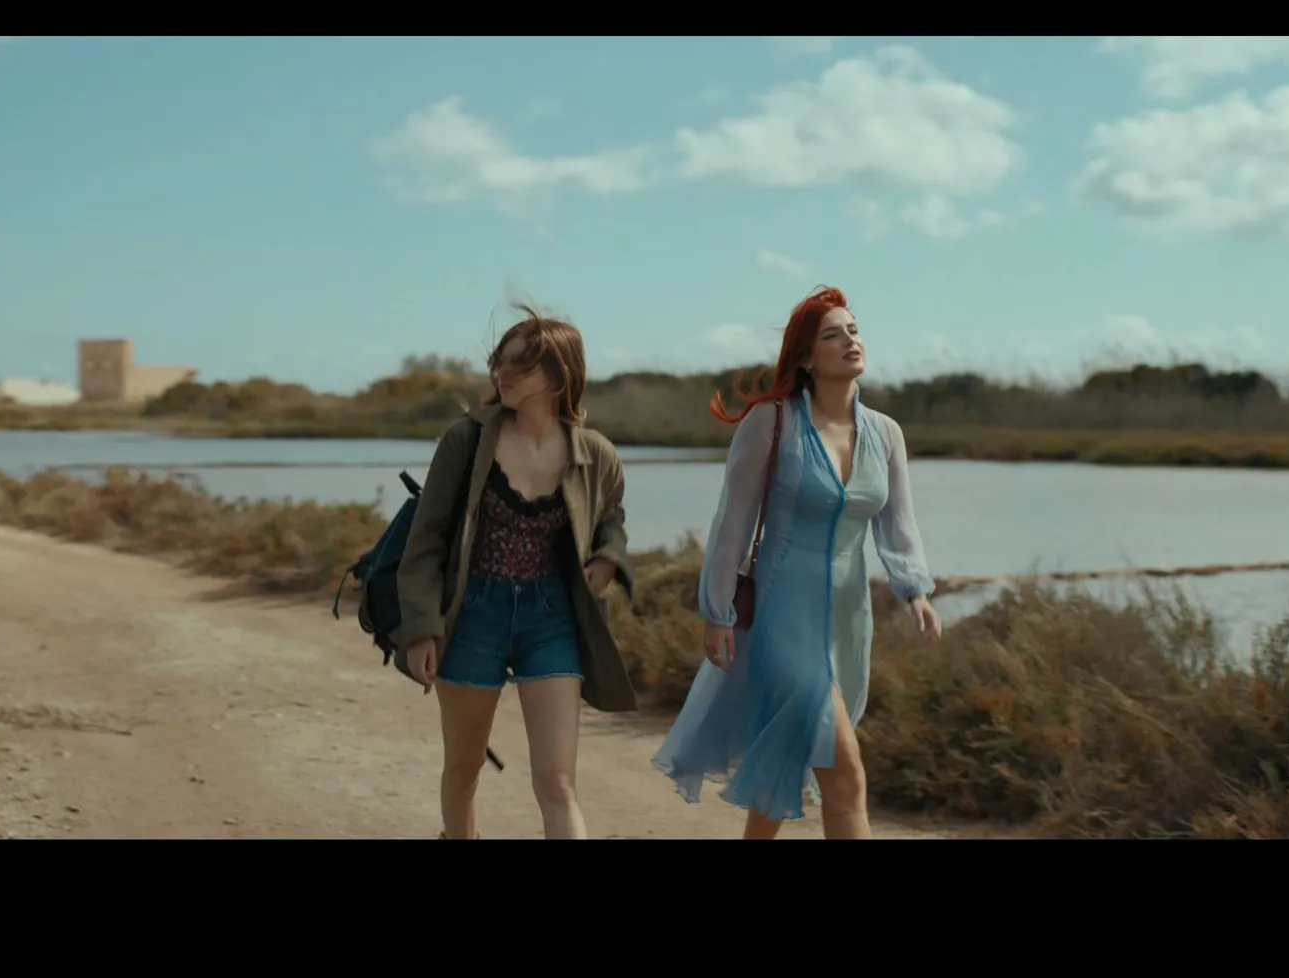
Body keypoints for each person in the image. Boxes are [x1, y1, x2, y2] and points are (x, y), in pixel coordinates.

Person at [651, 286, 940, 839]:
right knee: (845, 773)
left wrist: (915, 591)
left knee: (787, 760)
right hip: (782, 613)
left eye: (854, 330)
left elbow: (898, 525)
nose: (850, 340)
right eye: (833, 335)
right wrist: (717, 610)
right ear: (806, 357)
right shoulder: (772, 421)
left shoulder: (886, 433)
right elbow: (732, 522)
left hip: (848, 620)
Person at [393, 305, 639, 840]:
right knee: (463, 770)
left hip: (551, 617)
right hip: (472, 614)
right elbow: (426, 540)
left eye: (520, 365)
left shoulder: (596, 454)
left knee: (557, 782)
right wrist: (420, 630)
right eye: (500, 362)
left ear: (560, 375)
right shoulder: (466, 441)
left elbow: (611, 520)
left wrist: (607, 557)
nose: (503, 373)